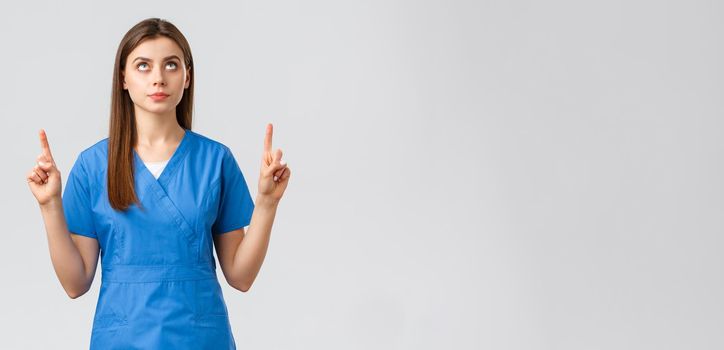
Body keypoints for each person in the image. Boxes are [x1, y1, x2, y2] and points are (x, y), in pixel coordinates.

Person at [26, 17, 291, 349]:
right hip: (123, 339)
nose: (158, 78)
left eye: (170, 65)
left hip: (199, 338)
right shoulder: (94, 166)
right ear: (123, 78)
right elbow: (75, 283)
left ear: (187, 77)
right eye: (143, 66)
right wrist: (50, 204)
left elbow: (241, 276)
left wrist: (267, 203)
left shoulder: (214, 161)